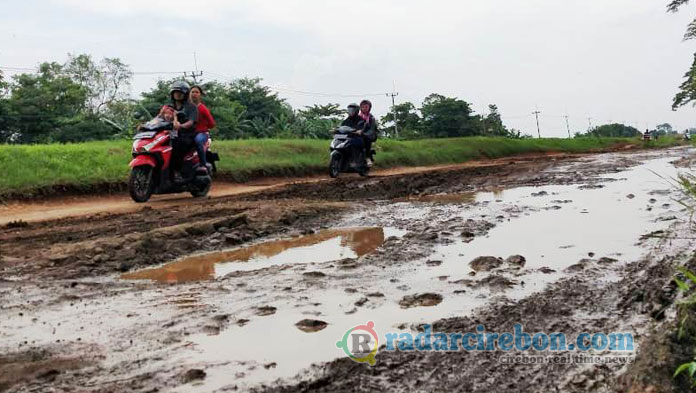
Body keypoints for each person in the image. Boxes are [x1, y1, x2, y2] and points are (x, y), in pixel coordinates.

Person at [167, 81, 198, 179]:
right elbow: (159, 117)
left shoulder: (192, 107)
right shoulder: (169, 107)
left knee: (176, 146)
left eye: (180, 92)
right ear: (172, 94)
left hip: (187, 135)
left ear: (185, 94)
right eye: (175, 92)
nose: (178, 94)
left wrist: (181, 126)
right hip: (171, 133)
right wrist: (146, 125)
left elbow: (191, 122)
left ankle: (177, 171)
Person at [189, 85, 216, 172]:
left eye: (196, 92)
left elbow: (212, 123)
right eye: (192, 92)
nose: (194, 94)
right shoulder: (186, 108)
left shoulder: (203, 109)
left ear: (200, 95)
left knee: (198, 141)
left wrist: (203, 127)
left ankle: (203, 165)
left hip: (201, 133)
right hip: (188, 133)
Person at [357, 99, 377, 167]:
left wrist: (364, 133)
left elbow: (372, 129)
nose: (364, 108)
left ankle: (367, 158)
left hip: (369, 134)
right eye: (363, 107)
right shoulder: (357, 116)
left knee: (367, 140)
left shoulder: (371, 118)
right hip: (357, 133)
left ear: (369, 108)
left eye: (366, 107)